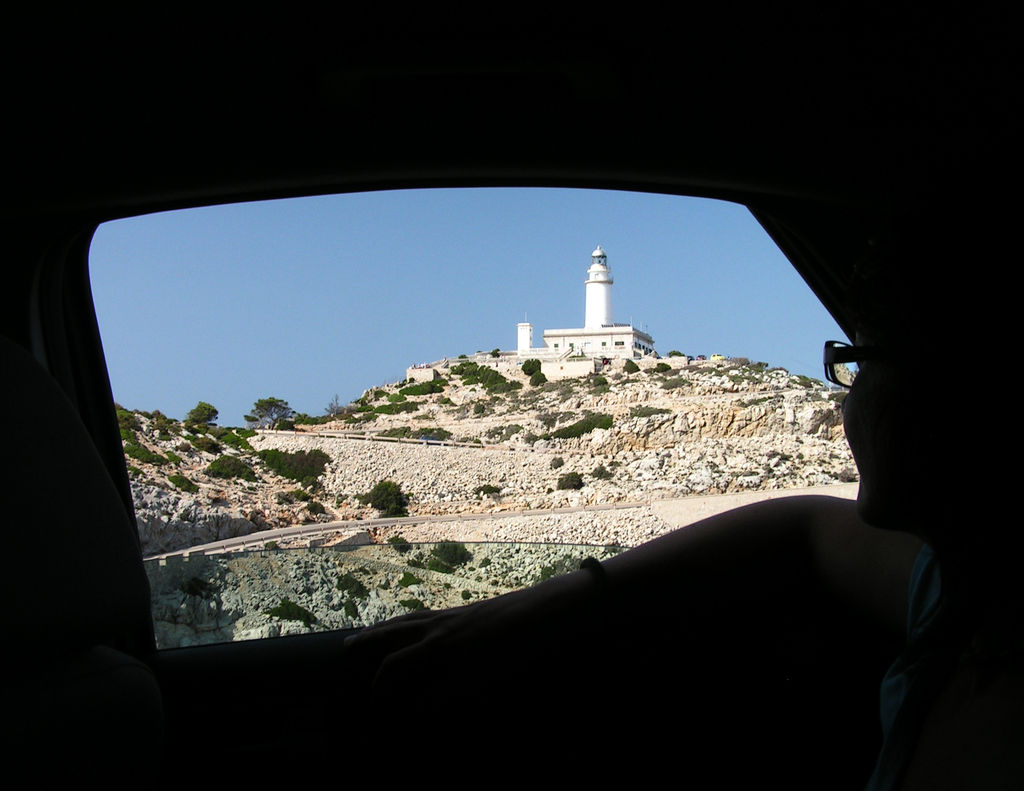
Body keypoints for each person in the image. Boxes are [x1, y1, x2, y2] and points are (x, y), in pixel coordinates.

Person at [343, 206, 1022, 788]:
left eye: (860, 358)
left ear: (958, 393)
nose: (847, 395)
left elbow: (805, 529)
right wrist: (540, 609)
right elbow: (803, 527)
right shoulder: (955, 587)